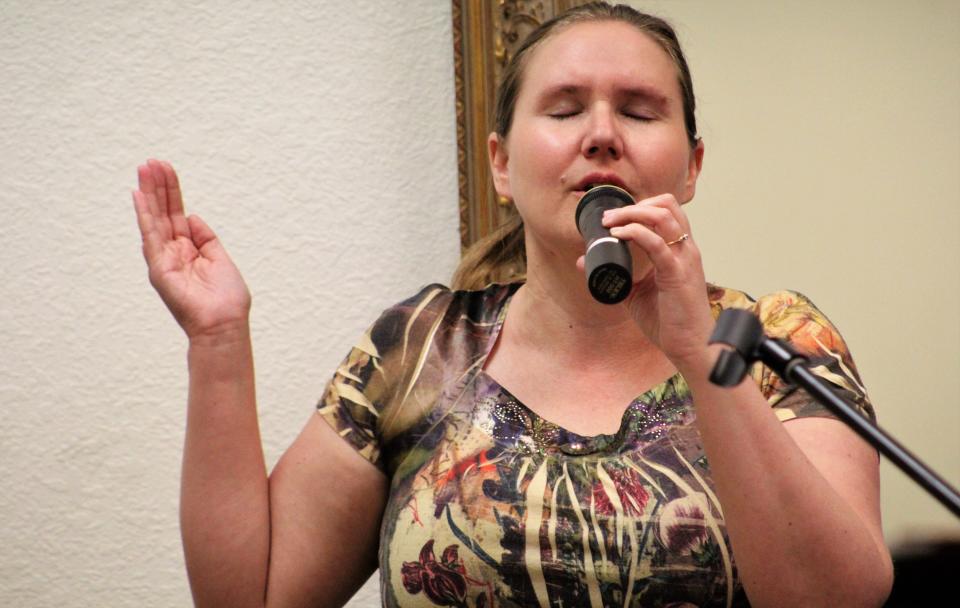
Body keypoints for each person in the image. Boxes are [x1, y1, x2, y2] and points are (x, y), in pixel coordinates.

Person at [132, 3, 893, 606]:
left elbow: (837, 598)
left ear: (690, 166)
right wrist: (218, 341)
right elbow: (249, 599)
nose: (600, 135)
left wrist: (702, 358)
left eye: (638, 110)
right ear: (501, 163)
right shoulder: (418, 348)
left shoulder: (774, 340)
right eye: (564, 110)